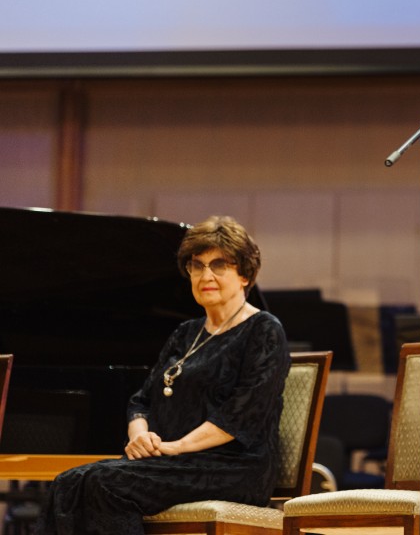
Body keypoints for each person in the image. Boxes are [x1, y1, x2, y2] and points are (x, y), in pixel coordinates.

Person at [38, 216, 290, 535]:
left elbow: (240, 416)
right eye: (197, 266)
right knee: (68, 482)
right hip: (174, 461)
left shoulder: (263, 330)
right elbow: (141, 401)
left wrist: (178, 446)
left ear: (244, 274)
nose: (206, 275)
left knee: (105, 484)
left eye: (219, 265)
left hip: (234, 467)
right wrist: (139, 436)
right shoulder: (185, 333)